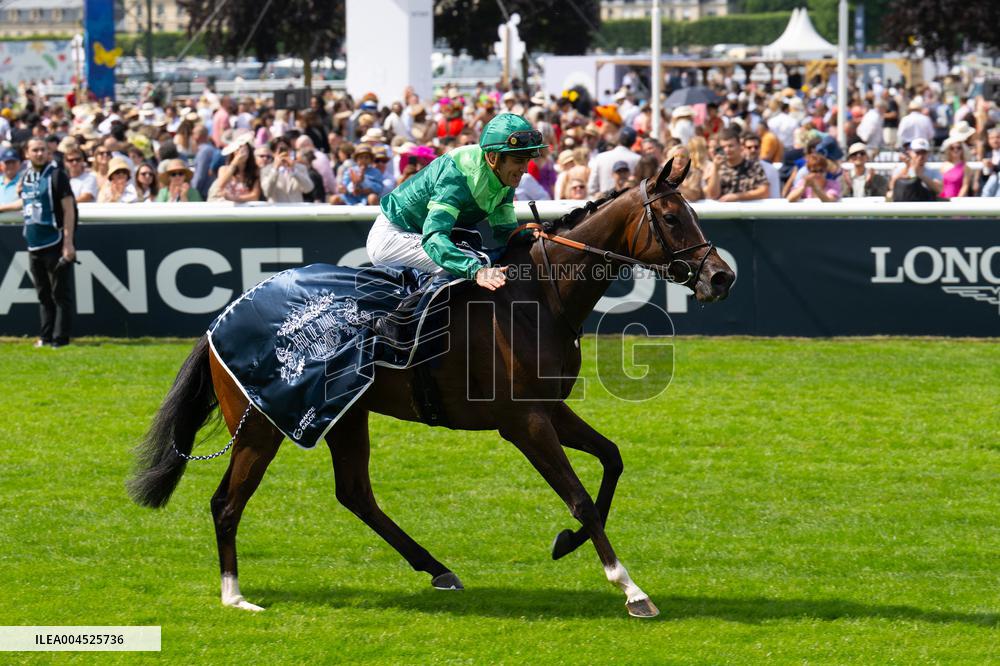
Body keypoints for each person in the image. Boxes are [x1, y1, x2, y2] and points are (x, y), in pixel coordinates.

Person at [366, 112, 542, 294]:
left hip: (422, 236)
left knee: (485, 259)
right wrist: (477, 271)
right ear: (492, 157)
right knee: (474, 262)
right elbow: (433, 237)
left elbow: (504, 232)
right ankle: (398, 321)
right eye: (518, 161)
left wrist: (533, 235)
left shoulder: (504, 175)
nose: (525, 169)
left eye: (527, 160)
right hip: (391, 237)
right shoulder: (458, 174)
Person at [16, 138, 77, 348]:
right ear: (27, 153)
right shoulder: (26, 177)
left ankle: (61, 339)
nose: (40, 153)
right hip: (33, 244)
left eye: (43, 150)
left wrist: (68, 243)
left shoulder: (57, 175)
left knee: (60, 293)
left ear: (49, 153)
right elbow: (26, 202)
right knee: (43, 294)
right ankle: (46, 336)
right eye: (35, 150)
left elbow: (69, 209)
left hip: (55, 241)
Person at [705, 128, 769, 202]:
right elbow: (713, 195)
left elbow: (764, 191)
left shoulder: (753, 165)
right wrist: (715, 169)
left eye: (730, 146)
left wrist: (737, 197)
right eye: (723, 147)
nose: (727, 150)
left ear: (740, 146)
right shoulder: (718, 167)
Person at [587, 126, 640, 195]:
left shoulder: (601, 157)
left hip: (605, 203)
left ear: (618, 138)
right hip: (628, 201)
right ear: (633, 141)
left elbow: (592, 188)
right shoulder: (638, 158)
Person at [209, 133, 262, 203]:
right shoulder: (223, 169)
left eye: (244, 149)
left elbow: (255, 196)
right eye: (238, 149)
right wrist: (235, 161)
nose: (241, 152)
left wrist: (235, 198)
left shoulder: (255, 171)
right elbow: (221, 185)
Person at [260, 137, 314, 203]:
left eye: (285, 149)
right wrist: (275, 169)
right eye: (280, 150)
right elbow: (267, 193)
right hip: (276, 210)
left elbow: (308, 188)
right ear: (273, 153)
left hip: (296, 210)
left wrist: (294, 171)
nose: (283, 153)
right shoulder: (266, 170)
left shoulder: (300, 168)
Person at [888, 137, 942, 201]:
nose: (921, 156)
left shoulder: (933, 171)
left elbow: (939, 189)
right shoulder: (900, 169)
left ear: (928, 154)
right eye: (918, 152)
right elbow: (892, 186)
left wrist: (921, 176)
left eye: (924, 152)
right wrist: (908, 168)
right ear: (910, 153)